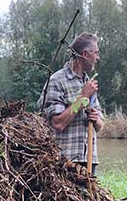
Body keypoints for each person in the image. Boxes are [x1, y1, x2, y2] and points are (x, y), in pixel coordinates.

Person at [37, 32, 104, 174]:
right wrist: (81, 98)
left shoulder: (89, 83)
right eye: (96, 53)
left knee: (90, 197)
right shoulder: (57, 81)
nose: (98, 58)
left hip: (90, 160)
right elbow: (58, 123)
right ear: (85, 54)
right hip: (65, 161)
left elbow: (100, 125)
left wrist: (96, 118)